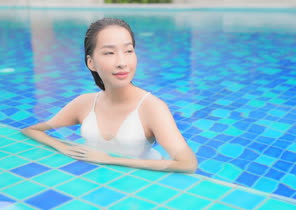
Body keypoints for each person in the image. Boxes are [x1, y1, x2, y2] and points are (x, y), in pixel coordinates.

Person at [22, 18, 198, 173]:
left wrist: (110, 160)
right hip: (99, 181)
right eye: (109, 53)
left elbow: (187, 163)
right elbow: (31, 130)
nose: (122, 62)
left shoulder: (152, 108)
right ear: (91, 63)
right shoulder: (84, 103)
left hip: (142, 186)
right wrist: (62, 147)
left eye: (128, 51)